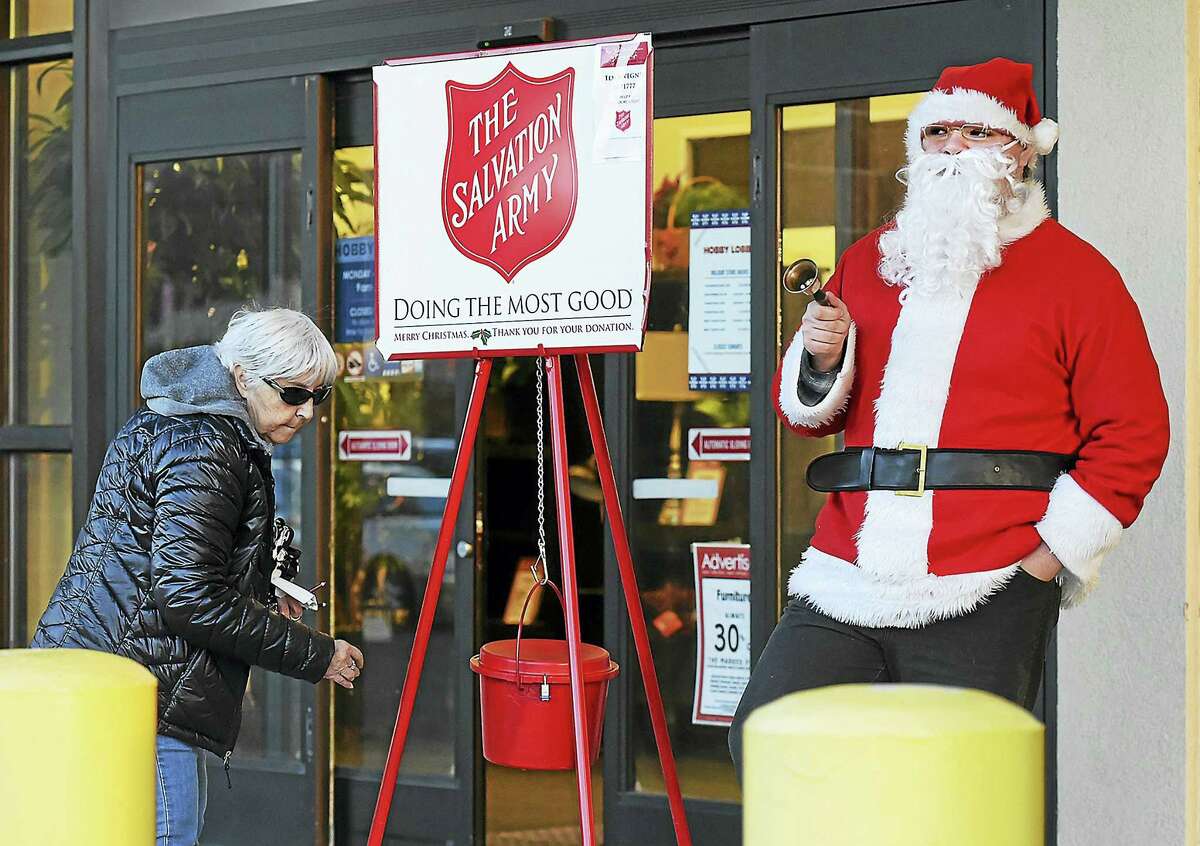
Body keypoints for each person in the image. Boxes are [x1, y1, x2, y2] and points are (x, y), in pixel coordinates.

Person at [729, 58, 1169, 774]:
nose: (955, 148)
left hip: (994, 576)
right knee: (769, 744)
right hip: (850, 571)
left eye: (977, 131)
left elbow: (1133, 433)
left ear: (1021, 150)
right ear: (918, 148)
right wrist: (818, 360)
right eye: (938, 132)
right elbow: (809, 414)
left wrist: (1045, 561)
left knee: (952, 790)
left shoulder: (1080, 276)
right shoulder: (869, 261)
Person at [31, 307, 365, 845]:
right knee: (168, 834)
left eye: (317, 396)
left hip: (112, 677)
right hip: (143, 694)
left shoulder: (181, 424)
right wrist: (316, 655)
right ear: (240, 378)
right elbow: (189, 596)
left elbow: (162, 562)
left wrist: (260, 591)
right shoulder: (208, 449)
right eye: (293, 394)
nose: (305, 413)